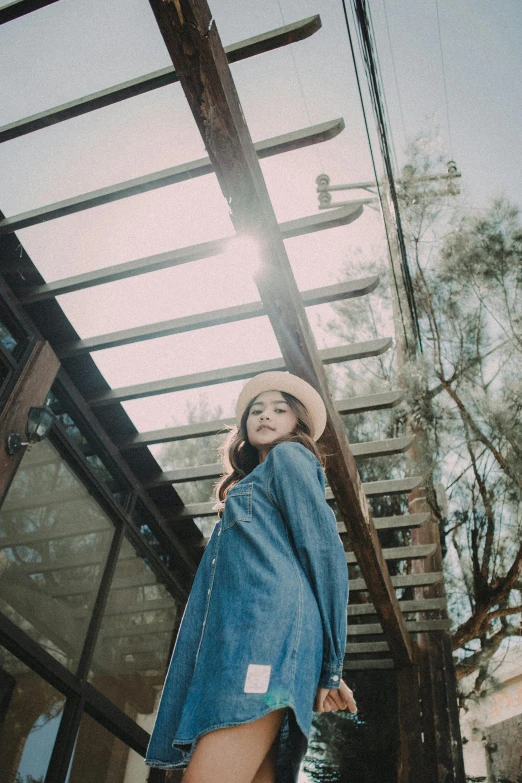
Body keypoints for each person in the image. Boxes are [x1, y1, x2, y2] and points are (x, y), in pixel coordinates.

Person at [145, 371, 356, 783]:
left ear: (298, 424)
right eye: (256, 410)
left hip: (263, 641)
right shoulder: (252, 481)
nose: (265, 416)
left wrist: (330, 665)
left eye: (280, 409)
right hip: (257, 643)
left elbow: (323, 553)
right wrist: (317, 665)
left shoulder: (289, 458)